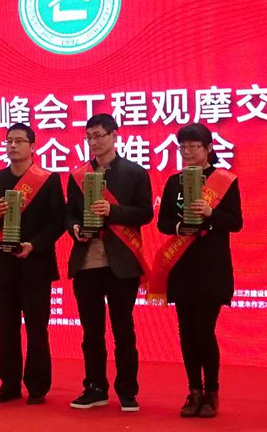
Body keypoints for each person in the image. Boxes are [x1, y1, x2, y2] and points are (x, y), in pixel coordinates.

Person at [152, 123, 242, 418]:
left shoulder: (224, 180)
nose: (188, 152)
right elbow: (163, 223)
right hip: (182, 266)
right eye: (183, 147)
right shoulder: (173, 182)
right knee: (187, 333)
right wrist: (181, 227)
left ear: (208, 148)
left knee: (204, 330)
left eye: (194, 146)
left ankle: (211, 392)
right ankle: (193, 391)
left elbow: (236, 222)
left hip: (212, 267)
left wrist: (210, 213)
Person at [66, 114, 153, 412]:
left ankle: (127, 390)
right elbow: (69, 213)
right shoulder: (77, 176)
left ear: (115, 136)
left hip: (121, 264)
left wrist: (112, 211)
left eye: (99, 135)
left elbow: (145, 213)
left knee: (123, 329)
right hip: (86, 263)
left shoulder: (135, 173)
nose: (94, 142)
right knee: (91, 332)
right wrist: (74, 228)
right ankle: (95, 387)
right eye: (89, 136)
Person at [0, 123, 65, 404]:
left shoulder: (48, 180)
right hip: (4, 265)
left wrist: (35, 244)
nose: (13, 145)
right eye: (9, 141)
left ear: (33, 146)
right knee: (5, 328)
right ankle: (9, 383)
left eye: (19, 141)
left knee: (36, 327)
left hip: (36, 264)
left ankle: (38, 385)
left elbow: (58, 221)